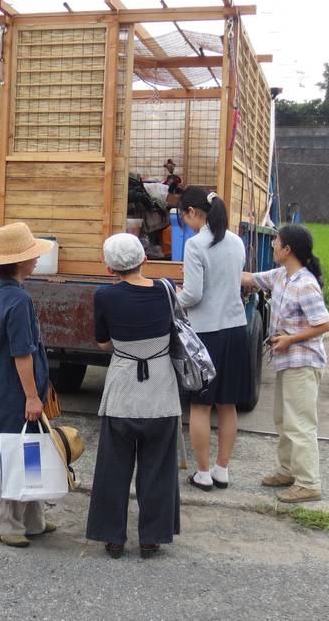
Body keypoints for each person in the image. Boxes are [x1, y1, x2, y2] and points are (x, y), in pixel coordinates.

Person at [86, 233, 182, 560]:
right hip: (161, 390)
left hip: (122, 388)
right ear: (144, 259)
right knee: (157, 467)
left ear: (110, 267)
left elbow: (103, 344)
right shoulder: (166, 291)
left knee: (114, 467)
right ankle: (151, 538)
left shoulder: (104, 297)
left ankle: (112, 537)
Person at [0, 222, 58, 548]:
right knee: (12, 452)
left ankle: (31, 519)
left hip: (1, 385)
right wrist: (32, 396)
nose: (36, 259)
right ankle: (3, 522)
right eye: (31, 255)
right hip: (14, 390)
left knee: (27, 449)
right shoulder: (18, 300)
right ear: (19, 262)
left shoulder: (2, 291)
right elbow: (22, 353)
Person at [241, 224, 329, 504]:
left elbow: (324, 324)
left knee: (300, 423)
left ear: (288, 249)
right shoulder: (282, 276)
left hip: (302, 363)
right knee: (283, 419)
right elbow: (250, 278)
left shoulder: (305, 284)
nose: (272, 246)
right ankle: (287, 470)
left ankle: (308, 483)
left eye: (276, 243)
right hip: (288, 362)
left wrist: (290, 340)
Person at [175, 186, 251, 491]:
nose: (186, 222)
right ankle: (222, 470)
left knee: (200, 406)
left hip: (206, 333)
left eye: (184, 216)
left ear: (193, 213)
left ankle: (203, 473)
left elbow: (193, 294)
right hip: (236, 329)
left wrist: (174, 297)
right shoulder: (236, 241)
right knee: (227, 404)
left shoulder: (196, 245)